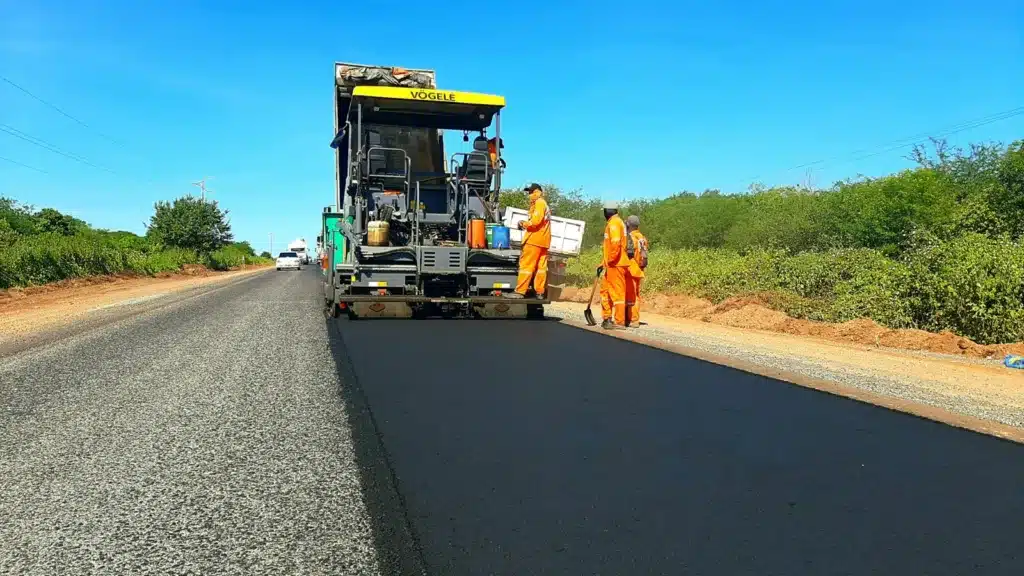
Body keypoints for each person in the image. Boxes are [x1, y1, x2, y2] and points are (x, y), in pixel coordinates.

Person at [506, 183, 550, 299]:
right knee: (541, 269)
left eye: (531, 192)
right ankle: (540, 292)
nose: (530, 195)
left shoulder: (539, 203)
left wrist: (523, 224)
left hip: (534, 240)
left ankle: (520, 291)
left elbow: (535, 221)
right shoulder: (543, 204)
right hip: (543, 241)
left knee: (526, 266)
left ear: (537, 191)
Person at [599, 200, 630, 329]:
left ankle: (619, 321)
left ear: (608, 211)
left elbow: (616, 244)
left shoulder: (614, 224)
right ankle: (607, 318)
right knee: (605, 290)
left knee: (617, 294)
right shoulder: (615, 222)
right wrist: (603, 263)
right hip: (611, 264)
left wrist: (610, 260)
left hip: (616, 264)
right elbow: (609, 247)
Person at [625, 214, 649, 326]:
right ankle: (633, 317)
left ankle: (633, 319)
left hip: (631, 270)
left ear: (628, 224)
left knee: (631, 296)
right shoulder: (642, 238)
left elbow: (627, 254)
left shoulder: (631, 237)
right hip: (639, 269)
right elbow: (644, 254)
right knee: (636, 295)